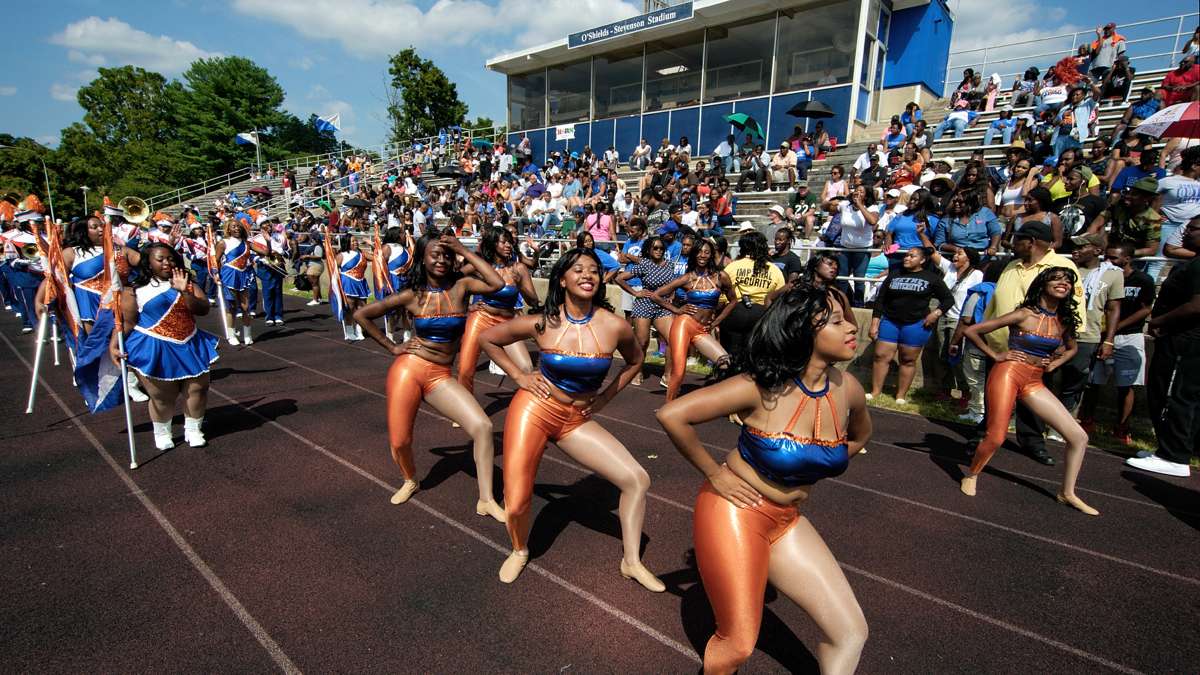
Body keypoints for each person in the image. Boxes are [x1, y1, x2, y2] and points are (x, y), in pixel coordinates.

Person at [657, 283, 871, 675]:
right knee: (738, 643)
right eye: (837, 321)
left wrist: (814, 462)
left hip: (787, 519)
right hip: (735, 510)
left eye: (848, 318)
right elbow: (672, 415)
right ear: (803, 329)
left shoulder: (849, 389)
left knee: (850, 631)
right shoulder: (759, 386)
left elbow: (859, 437)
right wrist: (714, 474)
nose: (851, 327)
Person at [478, 248, 663, 590]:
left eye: (594, 270)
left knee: (637, 479)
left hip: (576, 419)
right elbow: (487, 338)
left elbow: (636, 361)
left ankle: (631, 561)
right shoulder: (542, 321)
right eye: (578, 269)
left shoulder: (615, 325)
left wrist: (605, 398)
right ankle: (519, 550)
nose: (587, 275)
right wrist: (520, 377)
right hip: (534, 409)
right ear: (562, 279)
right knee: (516, 502)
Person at [352, 233, 507, 517]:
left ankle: (486, 499)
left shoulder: (463, 286)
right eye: (435, 254)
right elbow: (362, 315)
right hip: (408, 370)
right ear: (422, 258)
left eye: (447, 255)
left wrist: (463, 249)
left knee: (483, 427)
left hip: (439, 375)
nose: (441, 260)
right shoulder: (412, 294)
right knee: (400, 441)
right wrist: (392, 346)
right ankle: (410, 479)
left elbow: (497, 283)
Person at [958, 267, 1098, 515]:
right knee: (997, 435)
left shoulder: (1063, 320)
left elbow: (1072, 349)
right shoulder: (1023, 314)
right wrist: (997, 355)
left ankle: (1067, 493)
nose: (1063, 283)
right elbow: (972, 330)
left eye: (1067, 281)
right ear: (1043, 284)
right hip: (1008, 372)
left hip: (1034, 381)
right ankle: (972, 474)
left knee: (1079, 437)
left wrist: (1054, 362)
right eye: (1056, 279)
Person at [982, 222, 1085, 466]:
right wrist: (989, 334)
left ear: (1031, 241)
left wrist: (1059, 348)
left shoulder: (1062, 267)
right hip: (1002, 348)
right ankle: (985, 437)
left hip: (1037, 349)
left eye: (1017, 239)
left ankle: (1032, 442)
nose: (1012, 244)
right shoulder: (1010, 265)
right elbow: (996, 302)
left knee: (1033, 402)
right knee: (995, 401)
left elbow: (1073, 310)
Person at [110, 243, 219, 451]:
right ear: (148, 264)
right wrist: (114, 345)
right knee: (162, 397)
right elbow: (128, 323)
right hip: (155, 345)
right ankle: (162, 432)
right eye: (160, 259)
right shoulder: (134, 290)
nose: (166, 263)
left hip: (190, 342)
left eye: (170, 259)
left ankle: (193, 429)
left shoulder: (187, 283)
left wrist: (184, 292)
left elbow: (203, 309)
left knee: (197, 389)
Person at [1125, 216, 1200, 477]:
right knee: (1173, 395)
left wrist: (1159, 320)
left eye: (1193, 229)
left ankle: (1173, 455)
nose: (1187, 233)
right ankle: (1169, 449)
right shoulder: (1193, 263)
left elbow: (1196, 305)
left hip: (1185, 342)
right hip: (1179, 340)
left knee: (1174, 396)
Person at [1077, 242, 1155, 445]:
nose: (1108, 261)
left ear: (1127, 259)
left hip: (1129, 336)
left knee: (1126, 385)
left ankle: (1122, 428)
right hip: (1101, 335)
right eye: (1106, 257)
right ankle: (1087, 420)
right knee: (1094, 381)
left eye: (1114, 258)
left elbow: (1146, 309)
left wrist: (1117, 327)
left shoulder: (1142, 280)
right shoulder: (1101, 275)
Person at [868, 245, 955, 405]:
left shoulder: (932, 278)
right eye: (906, 255)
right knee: (881, 356)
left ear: (922, 260)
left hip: (916, 324)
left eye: (912, 256)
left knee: (907, 359)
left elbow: (948, 299)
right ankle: (875, 391)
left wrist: (935, 314)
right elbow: (881, 299)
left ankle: (901, 395)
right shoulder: (894, 275)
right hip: (890, 321)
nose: (907, 258)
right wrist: (875, 322)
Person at [653, 238, 737, 401]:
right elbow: (656, 295)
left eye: (706, 252)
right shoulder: (688, 277)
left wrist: (716, 322)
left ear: (712, 254)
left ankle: (725, 402)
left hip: (702, 329)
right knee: (679, 370)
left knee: (725, 362)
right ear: (694, 254)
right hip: (684, 324)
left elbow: (733, 301)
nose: (702, 255)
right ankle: (669, 406)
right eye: (699, 252)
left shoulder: (721, 276)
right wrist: (677, 309)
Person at [457, 227, 538, 393]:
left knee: (527, 368)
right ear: (494, 244)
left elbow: (533, 301)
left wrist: (521, 285)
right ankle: (462, 416)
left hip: (507, 322)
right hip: (482, 318)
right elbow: (454, 284)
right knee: (465, 369)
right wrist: (467, 307)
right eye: (504, 241)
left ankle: (527, 411)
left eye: (510, 241)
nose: (508, 245)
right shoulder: (482, 266)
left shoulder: (518, 268)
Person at [615, 235, 679, 387]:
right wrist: (635, 293)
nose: (658, 251)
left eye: (661, 248)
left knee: (673, 339)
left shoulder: (669, 265)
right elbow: (619, 278)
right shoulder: (644, 264)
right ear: (649, 250)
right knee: (642, 342)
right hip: (644, 304)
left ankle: (668, 374)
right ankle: (637, 370)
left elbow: (672, 284)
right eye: (655, 248)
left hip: (662, 306)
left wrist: (671, 295)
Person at [721, 231, 785, 358]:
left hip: (735, 311)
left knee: (732, 352)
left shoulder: (733, 266)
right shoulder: (774, 269)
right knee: (753, 353)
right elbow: (780, 295)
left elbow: (722, 293)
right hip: (761, 314)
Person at [215, 220, 253, 346]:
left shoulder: (247, 243)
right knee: (231, 307)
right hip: (229, 276)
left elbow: (265, 252)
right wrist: (215, 274)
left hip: (243, 275)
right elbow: (215, 260)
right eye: (234, 227)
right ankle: (231, 335)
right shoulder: (223, 243)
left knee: (246, 307)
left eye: (239, 226)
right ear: (229, 229)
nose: (237, 228)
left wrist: (268, 240)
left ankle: (247, 334)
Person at [336, 235, 372, 341]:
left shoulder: (363, 254)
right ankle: (349, 330)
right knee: (350, 307)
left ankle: (359, 330)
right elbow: (333, 270)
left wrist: (372, 244)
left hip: (361, 282)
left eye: (356, 240)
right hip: (348, 282)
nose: (356, 242)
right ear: (347, 242)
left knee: (362, 308)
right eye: (353, 241)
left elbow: (378, 258)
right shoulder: (341, 255)